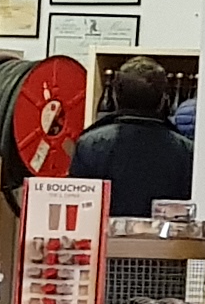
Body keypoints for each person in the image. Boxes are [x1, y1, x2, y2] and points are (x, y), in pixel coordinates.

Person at [68, 57, 194, 218]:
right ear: (164, 99)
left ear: (115, 96)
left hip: (106, 234)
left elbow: (79, 211)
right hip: (162, 234)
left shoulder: (89, 145)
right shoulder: (186, 150)